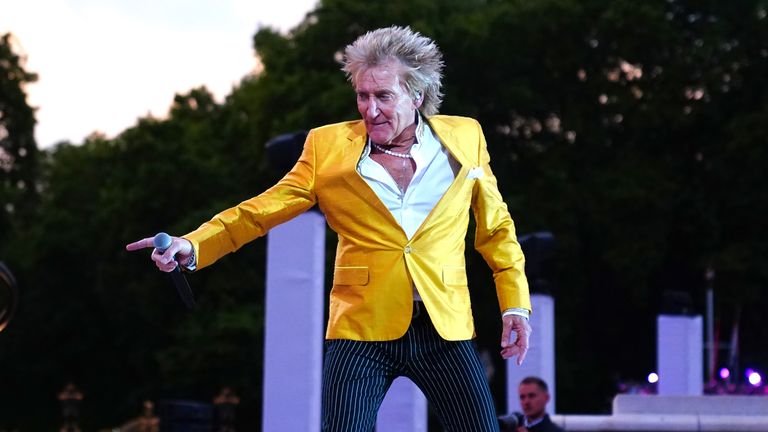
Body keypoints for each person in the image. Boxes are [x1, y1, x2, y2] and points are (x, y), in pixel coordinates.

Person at [127, 26, 531, 432]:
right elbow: (261, 210)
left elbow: (496, 228)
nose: (370, 110)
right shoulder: (326, 146)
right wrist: (193, 243)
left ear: (417, 95)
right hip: (359, 327)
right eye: (362, 96)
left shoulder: (466, 137)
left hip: (444, 325)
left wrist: (514, 304)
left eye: (383, 96)